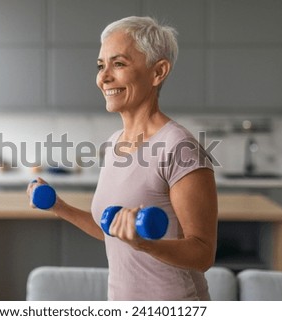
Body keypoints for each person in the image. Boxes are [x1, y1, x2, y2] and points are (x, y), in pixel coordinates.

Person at [27, 16, 218, 300]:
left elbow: (203, 253)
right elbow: (113, 231)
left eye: (118, 64)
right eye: (101, 65)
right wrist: (60, 207)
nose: (104, 77)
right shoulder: (114, 144)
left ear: (158, 72)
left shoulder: (180, 147)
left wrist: (144, 244)